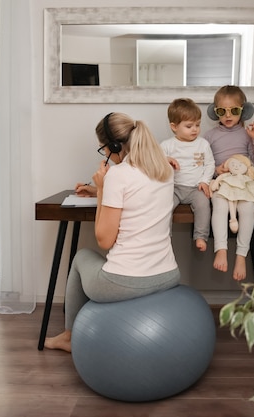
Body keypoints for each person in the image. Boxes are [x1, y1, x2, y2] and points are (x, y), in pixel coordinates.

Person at [44, 112, 180, 353]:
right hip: (168, 275)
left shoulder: (118, 175)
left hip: (124, 282)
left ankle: (69, 335)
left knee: (81, 257)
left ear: (115, 145)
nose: (105, 155)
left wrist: (103, 188)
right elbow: (138, 196)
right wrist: (97, 190)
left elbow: (104, 240)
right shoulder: (165, 170)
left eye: (103, 149)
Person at [204, 85, 254, 281]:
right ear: (215, 112)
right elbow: (204, 163)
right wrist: (216, 170)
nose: (228, 115)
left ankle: (241, 255)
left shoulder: (247, 134)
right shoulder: (210, 136)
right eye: (222, 111)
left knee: (248, 209)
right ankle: (221, 249)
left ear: (244, 110)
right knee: (219, 206)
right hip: (221, 182)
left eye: (235, 111)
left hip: (243, 182)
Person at [160, 98, 215, 251]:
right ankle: (164, 238)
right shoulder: (167, 145)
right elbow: (155, 163)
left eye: (197, 125)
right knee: (164, 206)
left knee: (204, 205)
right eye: (189, 126)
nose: (195, 129)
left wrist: (205, 181)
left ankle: (200, 236)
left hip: (196, 188)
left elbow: (210, 164)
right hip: (174, 188)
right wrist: (165, 159)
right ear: (174, 127)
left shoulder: (203, 144)